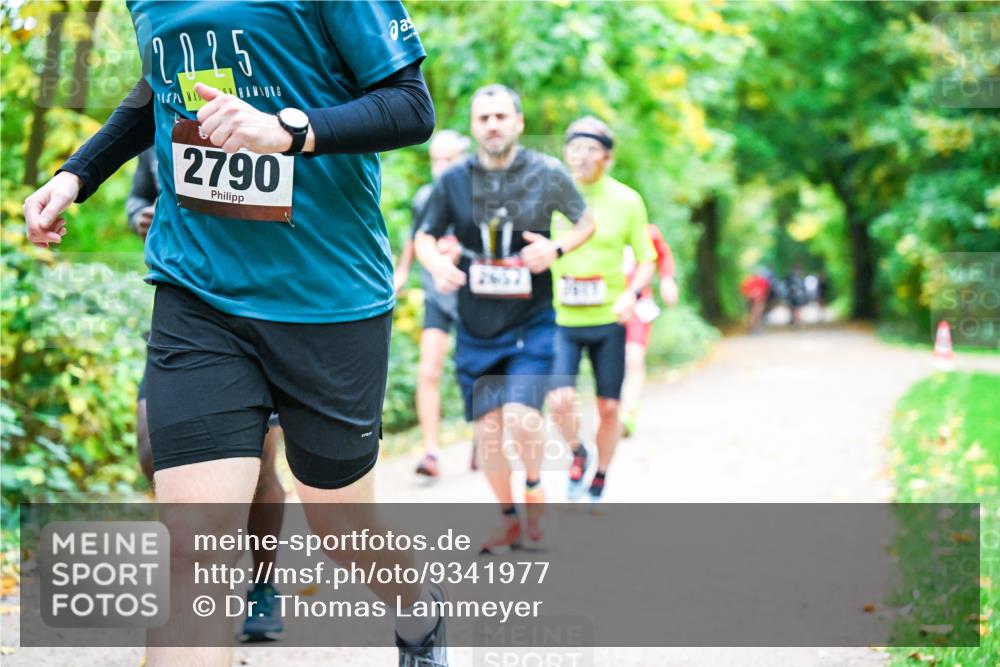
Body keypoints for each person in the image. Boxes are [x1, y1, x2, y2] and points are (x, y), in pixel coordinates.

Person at [24, 3, 449, 665]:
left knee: (340, 524)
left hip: (326, 298)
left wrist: (288, 129)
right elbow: (157, 87)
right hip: (198, 292)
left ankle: (417, 614)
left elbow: (409, 105)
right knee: (193, 544)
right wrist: (76, 173)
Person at [415, 84, 593, 553]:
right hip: (476, 322)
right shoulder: (453, 179)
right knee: (488, 430)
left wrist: (553, 249)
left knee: (520, 416)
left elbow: (585, 222)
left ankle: (534, 487)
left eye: (500, 116)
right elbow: (425, 237)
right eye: (483, 118)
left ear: (518, 122)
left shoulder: (546, 172)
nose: (492, 125)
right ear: (474, 127)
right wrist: (437, 267)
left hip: (532, 319)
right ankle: (509, 518)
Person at [127, 148, 287, 642]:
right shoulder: (157, 118)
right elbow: (138, 196)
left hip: (264, 307)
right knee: (153, 454)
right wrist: (141, 216)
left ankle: (260, 585)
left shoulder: (268, 104)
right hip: (185, 309)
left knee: (259, 466)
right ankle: (195, 569)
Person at [546, 117, 655, 502]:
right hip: (563, 320)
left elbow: (647, 259)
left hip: (609, 318)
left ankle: (600, 476)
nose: (581, 156)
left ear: (607, 157)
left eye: (591, 149)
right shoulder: (552, 194)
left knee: (609, 407)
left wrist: (631, 295)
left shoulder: (626, 200)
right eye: (574, 147)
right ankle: (578, 452)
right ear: (565, 153)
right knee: (558, 400)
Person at [393, 131, 470, 477]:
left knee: (476, 371)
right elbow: (416, 236)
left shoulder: (479, 195)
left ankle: (484, 440)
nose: (441, 167)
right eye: (436, 159)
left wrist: (463, 253)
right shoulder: (426, 196)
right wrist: (401, 272)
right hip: (437, 294)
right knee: (429, 370)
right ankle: (431, 452)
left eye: (449, 159)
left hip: (473, 297)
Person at [618, 224, 679, 438]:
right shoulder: (597, 228)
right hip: (607, 306)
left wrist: (667, 280)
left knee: (633, 359)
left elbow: (664, 255)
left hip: (638, 304)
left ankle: (627, 413)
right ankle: (610, 413)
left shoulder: (648, 232)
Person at [740, 268, 771, 334]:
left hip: (758, 300)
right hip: (754, 300)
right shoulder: (758, 281)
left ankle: (755, 329)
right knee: (756, 315)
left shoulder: (750, 281)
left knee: (755, 315)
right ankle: (754, 329)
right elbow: (767, 290)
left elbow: (766, 289)